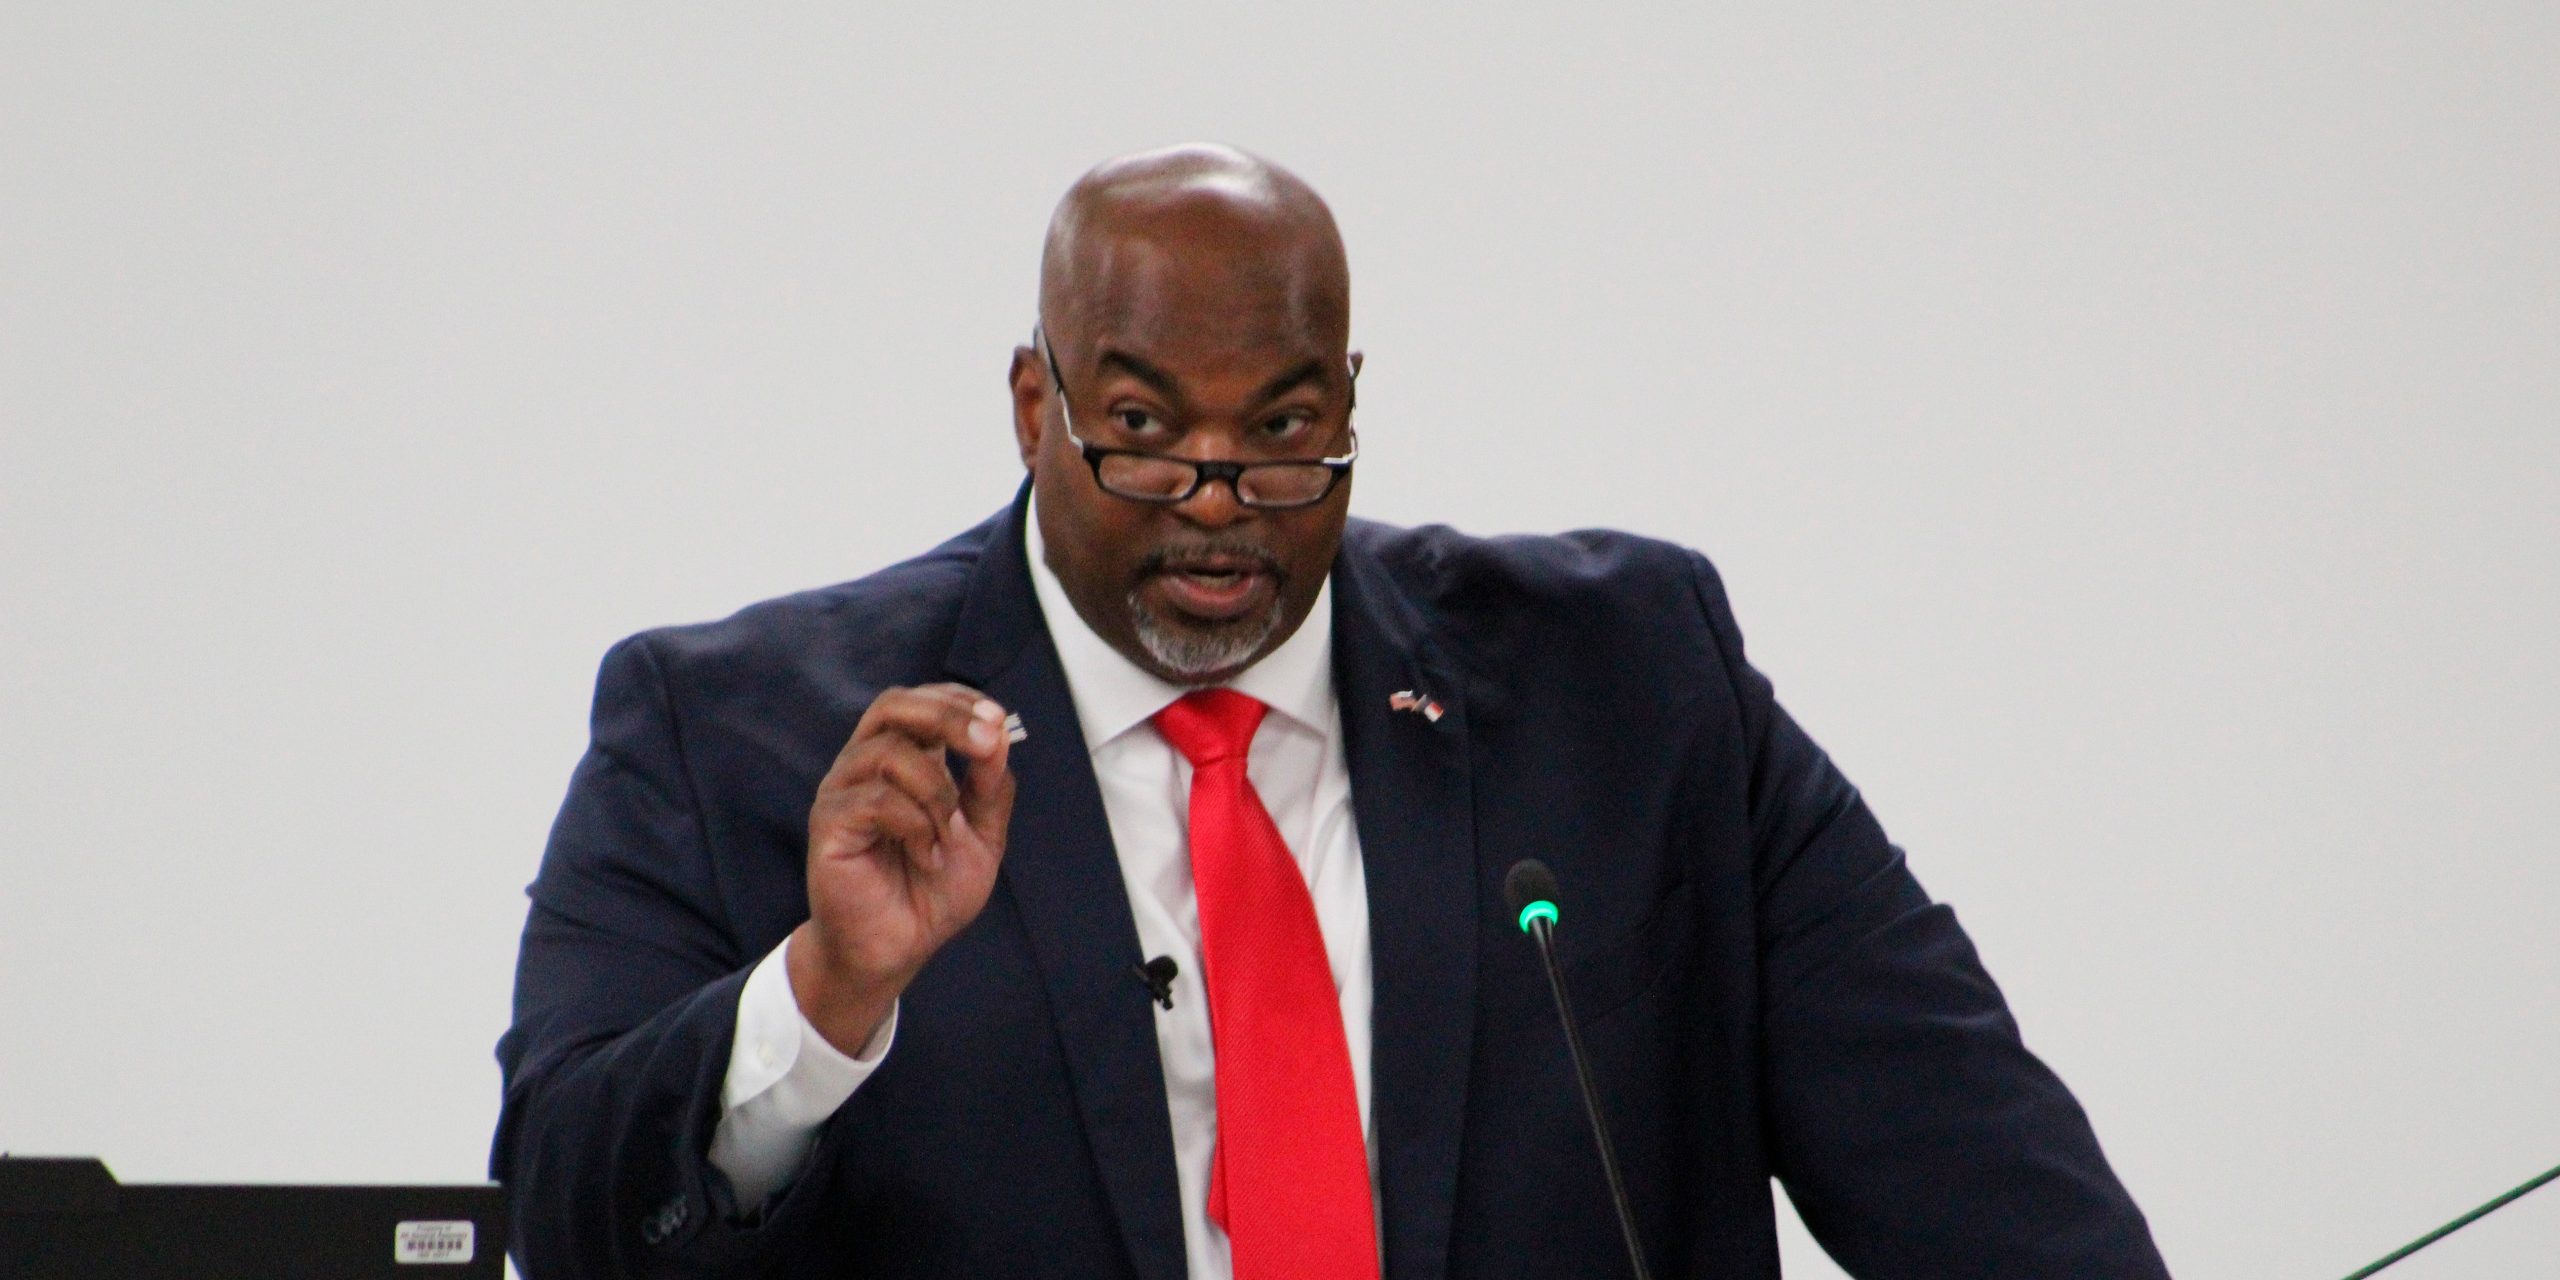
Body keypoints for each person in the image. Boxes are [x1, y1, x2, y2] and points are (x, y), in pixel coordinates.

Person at [493, 144, 2171, 1280]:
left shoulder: (1636, 693)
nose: (1218, 503)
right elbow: (554, 1211)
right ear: (1034, 405)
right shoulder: (736, 742)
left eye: (1283, 430)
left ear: (1351, 401)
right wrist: (822, 998)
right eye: (1144, 429)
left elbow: (1987, 1186)